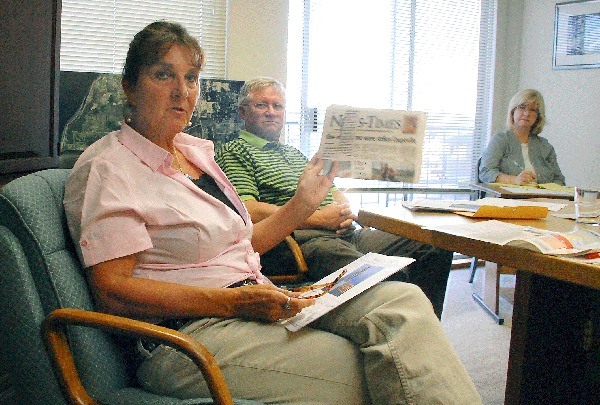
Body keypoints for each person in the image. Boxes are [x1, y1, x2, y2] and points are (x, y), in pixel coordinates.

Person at [63, 21, 481, 404]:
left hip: (258, 297)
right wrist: (232, 303)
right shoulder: (110, 168)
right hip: (186, 335)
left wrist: (302, 205)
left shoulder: (194, 153)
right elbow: (112, 290)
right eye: (163, 74)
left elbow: (239, 244)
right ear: (129, 87)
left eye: (191, 78)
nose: (182, 91)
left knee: (401, 302)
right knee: (376, 368)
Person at [216, 77, 453, 318]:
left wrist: (343, 208)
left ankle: (426, 326)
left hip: (344, 232)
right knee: (384, 276)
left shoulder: (295, 153)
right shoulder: (234, 151)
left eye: (278, 106)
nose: (271, 112)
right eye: (261, 105)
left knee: (432, 246)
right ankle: (404, 323)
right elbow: (248, 210)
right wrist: (318, 218)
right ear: (243, 112)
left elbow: (333, 191)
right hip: (303, 241)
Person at [479, 89, 565, 186]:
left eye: (532, 110)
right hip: (507, 199)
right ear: (513, 112)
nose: (527, 113)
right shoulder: (500, 140)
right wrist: (514, 180)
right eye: (522, 107)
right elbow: (485, 172)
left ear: (538, 116)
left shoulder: (545, 146)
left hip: (542, 199)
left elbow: (559, 180)